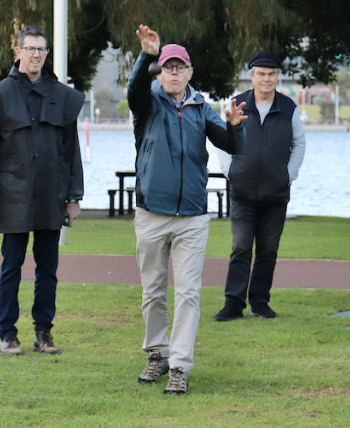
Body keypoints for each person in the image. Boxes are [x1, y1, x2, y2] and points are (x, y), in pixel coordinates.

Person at [127, 25, 247, 395]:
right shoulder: (147, 103)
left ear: (190, 73)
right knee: (153, 290)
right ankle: (156, 354)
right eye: (167, 67)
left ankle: (179, 365)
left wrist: (234, 127)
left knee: (189, 293)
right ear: (159, 73)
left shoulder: (201, 108)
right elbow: (132, 90)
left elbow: (230, 144)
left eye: (180, 67)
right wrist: (147, 53)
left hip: (193, 217)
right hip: (152, 214)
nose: (173, 73)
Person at [0, 25, 84, 356]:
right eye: (30, 49)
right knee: (11, 267)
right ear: (17, 52)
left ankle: (43, 333)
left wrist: (74, 197)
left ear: (47, 54)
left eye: (41, 50)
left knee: (48, 269)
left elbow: (71, 151)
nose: (36, 55)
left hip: (52, 196)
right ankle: (7, 333)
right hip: (12, 196)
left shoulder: (62, 96)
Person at [214, 52, 306, 321]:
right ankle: (233, 304)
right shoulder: (237, 104)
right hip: (242, 191)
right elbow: (222, 139)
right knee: (241, 247)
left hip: (276, 194)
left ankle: (260, 302)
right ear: (252, 75)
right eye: (261, 74)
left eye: (272, 74)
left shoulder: (288, 108)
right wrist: (230, 171)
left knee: (268, 250)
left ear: (278, 76)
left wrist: (288, 175)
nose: (267, 79)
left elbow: (299, 144)